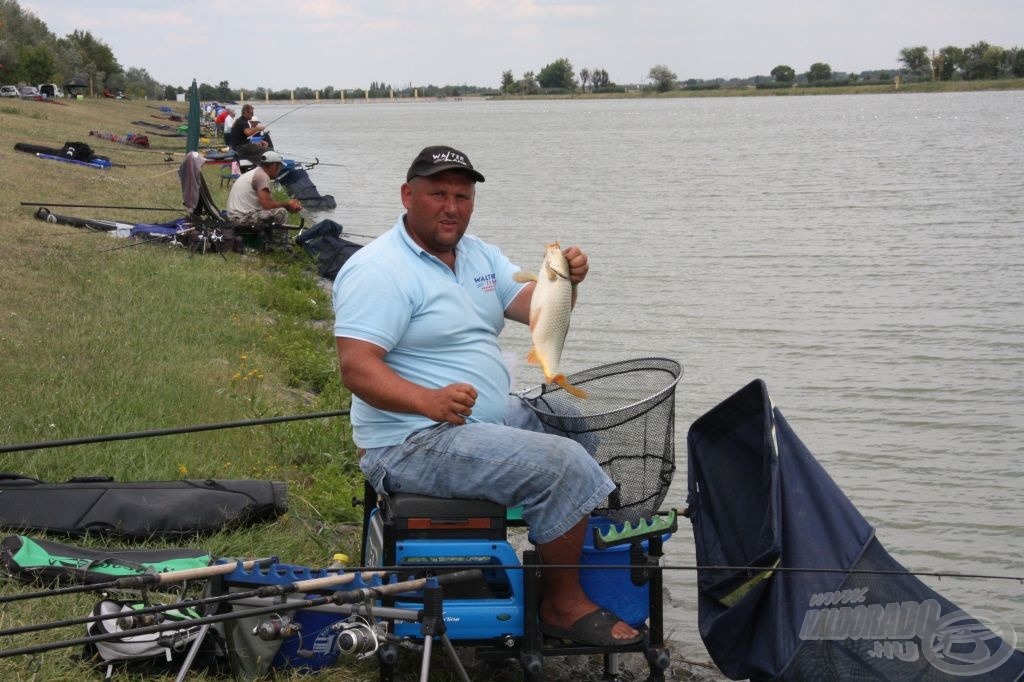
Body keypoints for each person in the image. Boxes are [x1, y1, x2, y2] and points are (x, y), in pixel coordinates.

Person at [332, 145, 642, 647]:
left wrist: (567, 281)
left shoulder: (479, 255)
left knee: (575, 423)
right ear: (408, 196)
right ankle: (562, 606)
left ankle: (556, 561)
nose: (451, 206)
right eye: (437, 194)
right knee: (562, 465)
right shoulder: (378, 270)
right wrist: (427, 402)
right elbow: (356, 368)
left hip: (481, 419)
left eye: (462, 194)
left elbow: (538, 313)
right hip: (411, 439)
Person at [225, 150, 301, 225]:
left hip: (235, 216)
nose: (279, 170)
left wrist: (287, 206)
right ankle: (280, 237)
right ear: (273, 166)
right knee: (281, 212)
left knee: (277, 210)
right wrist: (287, 205)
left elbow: (268, 203)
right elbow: (267, 205)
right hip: (240, 219)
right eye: (279, 167)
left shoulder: (257, 172)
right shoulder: (262, 176)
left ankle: (269, 236)